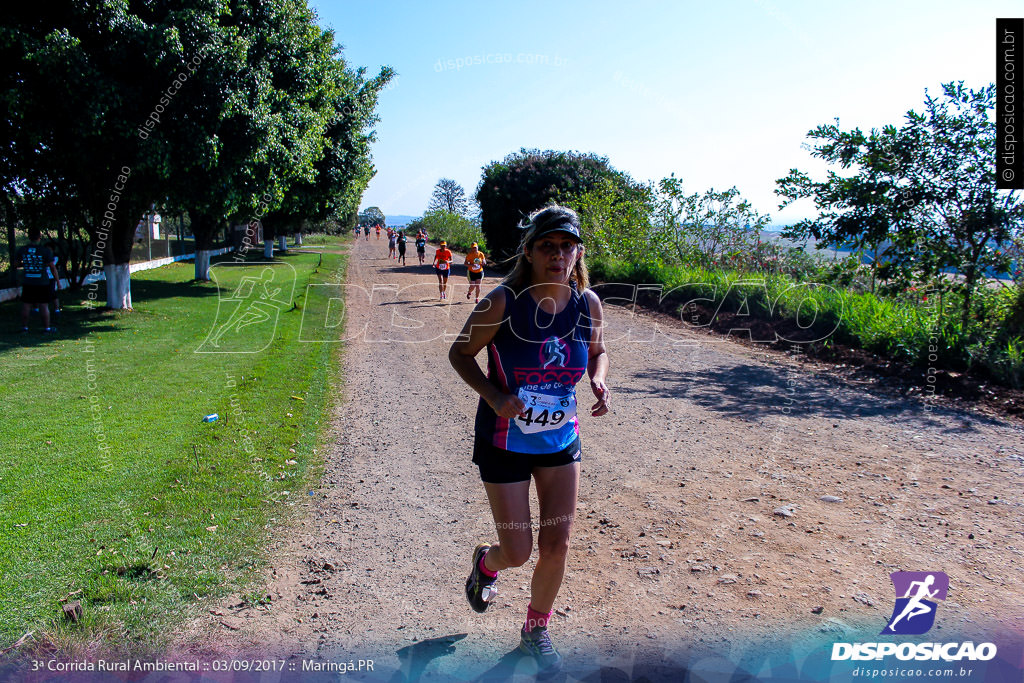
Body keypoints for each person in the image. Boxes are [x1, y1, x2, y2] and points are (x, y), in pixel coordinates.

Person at [448, 206, 609, 674]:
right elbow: (459, 354)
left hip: (560, 440)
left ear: (578, 252)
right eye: (548, 246)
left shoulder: (587, 304)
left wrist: (600, 380)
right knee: (517, 551)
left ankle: (536, 629)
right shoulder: (502, 302)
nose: (558, 255)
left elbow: (598, 352)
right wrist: (495, 396)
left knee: (557, 544)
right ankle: (487, 563)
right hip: (504, 441)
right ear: (530, 251)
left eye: (567, 246)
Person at [14, 227, 61, 333]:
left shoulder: (23, 250)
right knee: (43, 305)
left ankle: (24, 328)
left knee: (26, 304)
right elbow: (52, 267)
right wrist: (57, 281)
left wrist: (26, 264)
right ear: (40, 237)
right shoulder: (45, 251)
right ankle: (46, 328)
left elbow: (16, 264)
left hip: (28, 281)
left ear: (29, 237)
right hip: (42, 281)